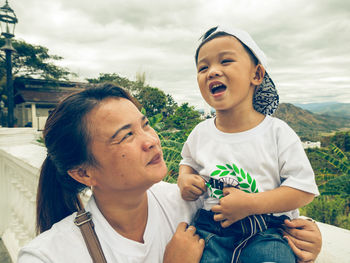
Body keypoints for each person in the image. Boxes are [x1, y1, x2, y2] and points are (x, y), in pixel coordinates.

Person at [17, 83, 321, 263]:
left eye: (145, 124)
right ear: (83, 173)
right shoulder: (48, 256)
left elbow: (255, 220)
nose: (151, 140)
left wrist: (301, 236)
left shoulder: (187, 203)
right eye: (125, 136)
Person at [178, 26, 320, 263]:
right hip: (211, 230)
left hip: (267, 231)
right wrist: (184, 178)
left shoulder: (277, 132)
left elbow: (303, 190)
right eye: (203, 67)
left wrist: (250, 204)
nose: (212, 71)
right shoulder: (200, 132)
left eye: (225, 61)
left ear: (256, 75)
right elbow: (187, 161)